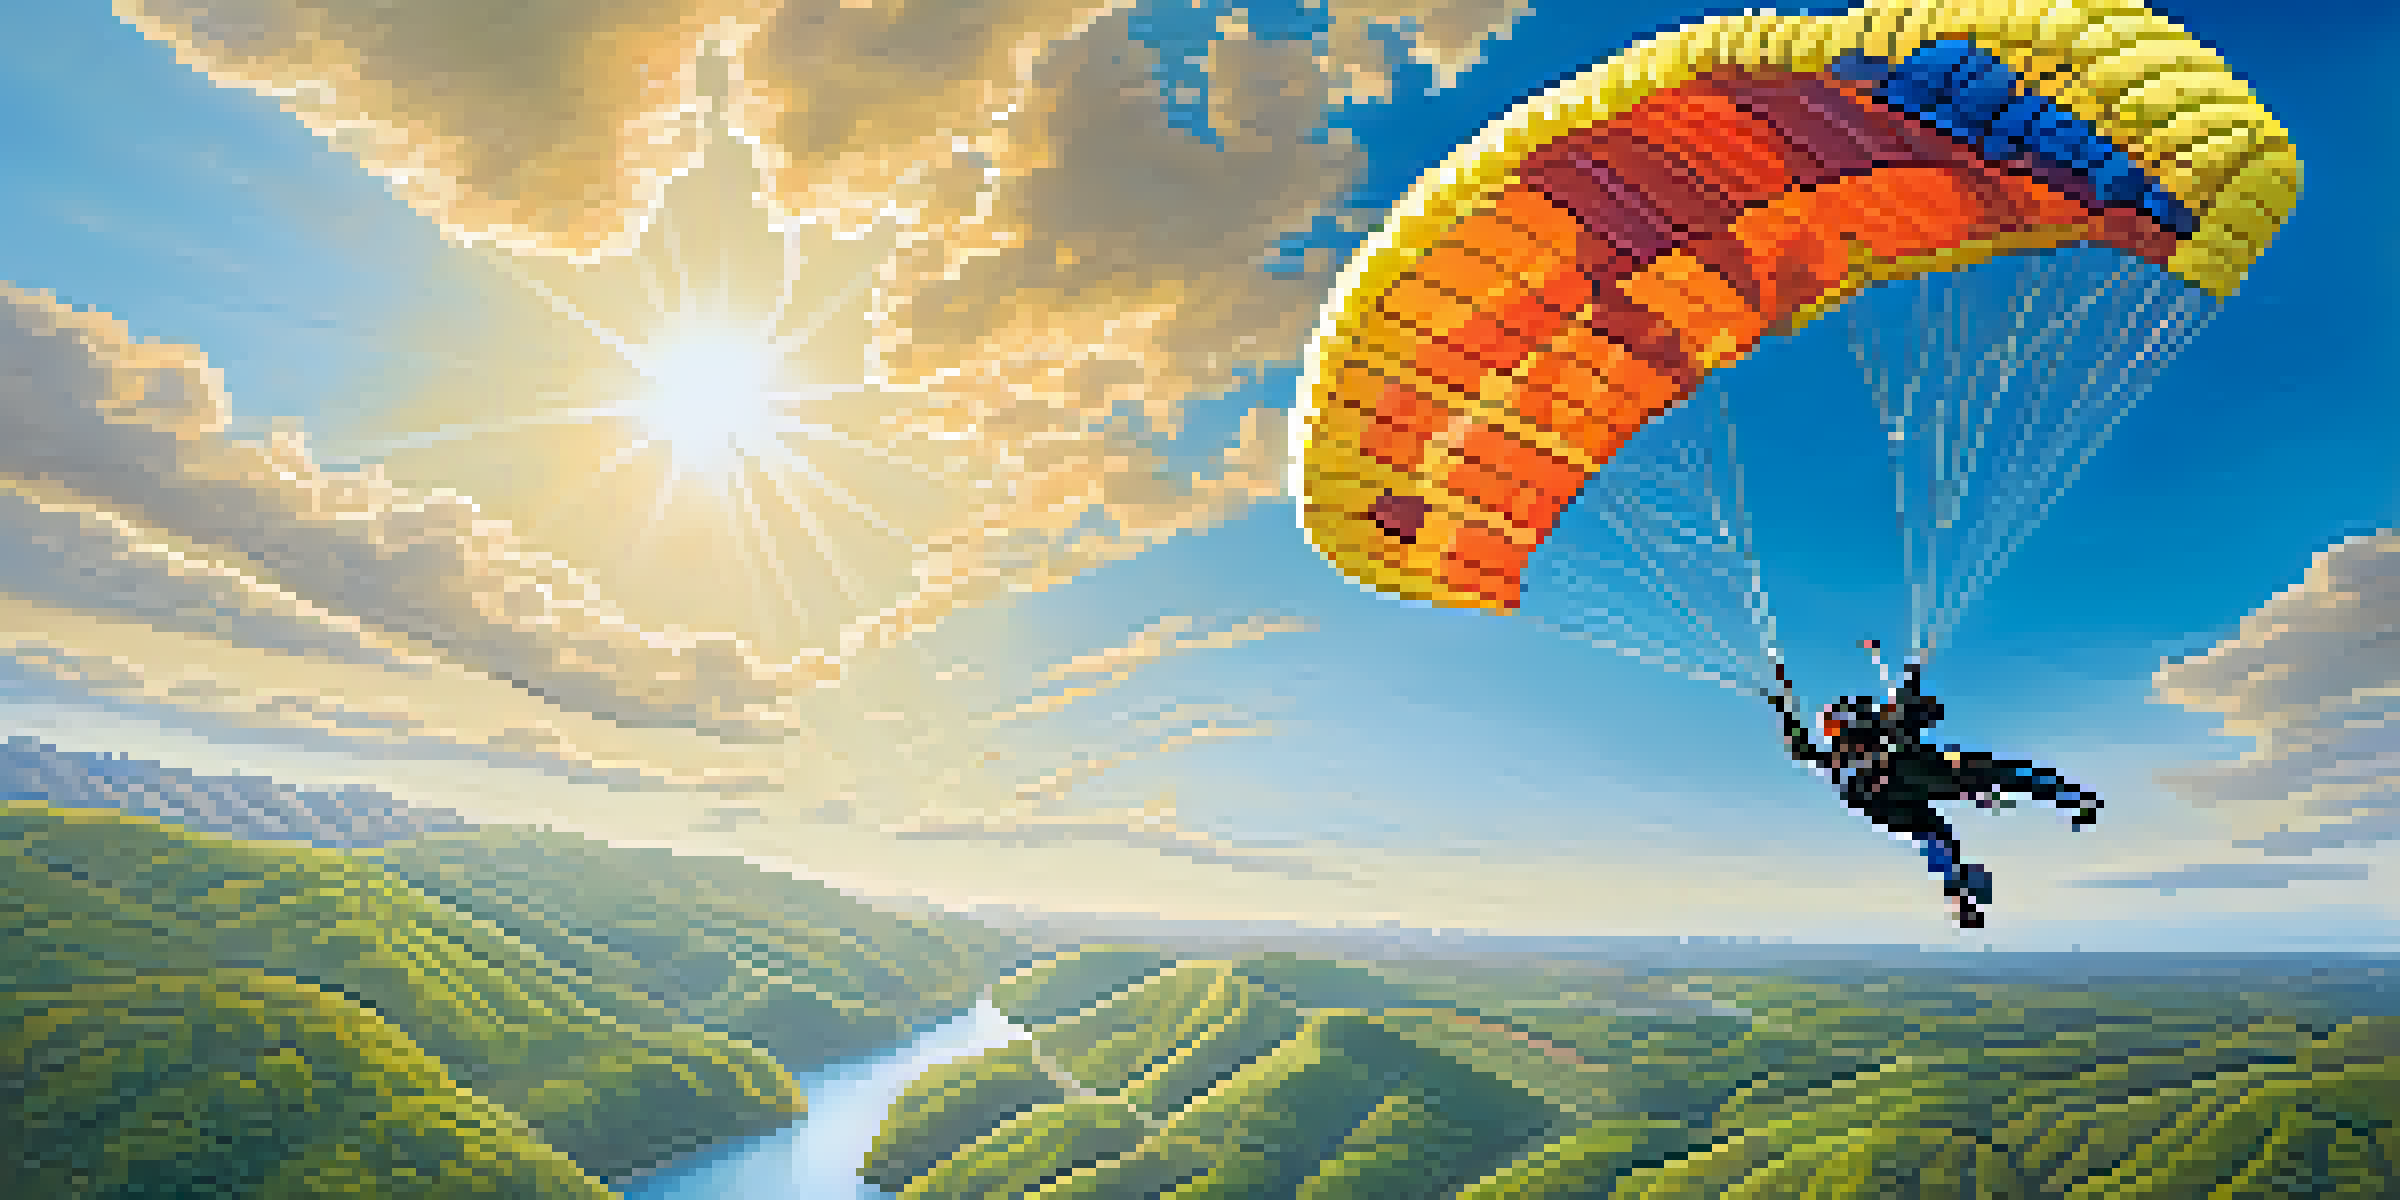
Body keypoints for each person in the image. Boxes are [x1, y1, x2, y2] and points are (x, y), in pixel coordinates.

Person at [1765, 641, 2102, 929]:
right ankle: (2072, 801)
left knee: (1937, 837)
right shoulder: (1884, 731)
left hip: (1888, 799)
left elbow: (1802, 750)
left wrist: (1785, 708)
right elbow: (1918, 712)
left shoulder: (1850, 750)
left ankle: (1959, 895)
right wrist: (1912, 679)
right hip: (1913, 779)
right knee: (2008, 778)